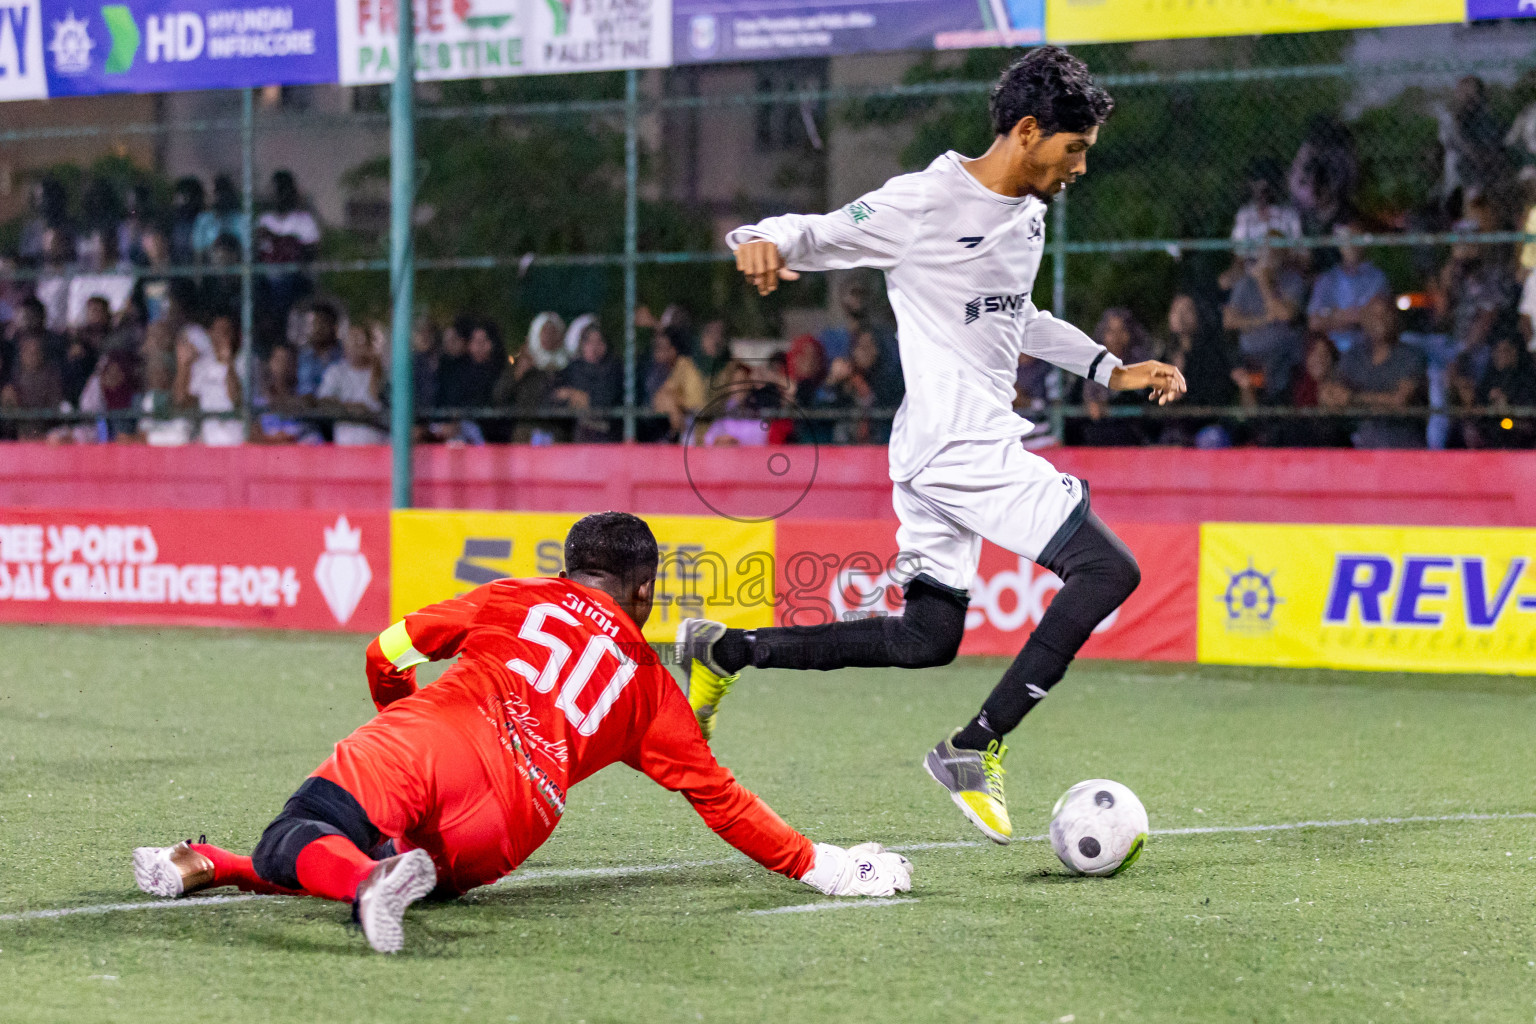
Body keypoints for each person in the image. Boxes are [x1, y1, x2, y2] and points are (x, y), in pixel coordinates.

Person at [680, 48, 1184, 845]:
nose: (1081, 165)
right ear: (1027, 131)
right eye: (1075, 148)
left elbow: (1013, 315)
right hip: (957, 444)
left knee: (927, 639)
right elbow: (813, 231)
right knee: (1107, 568)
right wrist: (756, 236)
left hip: (937, 443)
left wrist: (1109, 368)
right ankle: (974, 749)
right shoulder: (923, 202)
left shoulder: (1028, 213)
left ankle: (726, 650)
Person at [130, 512, 913, 953]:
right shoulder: (647, 686)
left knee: (300, 836)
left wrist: (398, 718)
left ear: (568, 567)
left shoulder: (512, 596)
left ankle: (315, 869)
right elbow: (723, 802)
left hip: (436, 735)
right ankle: (210, 864)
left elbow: (386, 649)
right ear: (644, 589)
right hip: (511, 821)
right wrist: (836, 869)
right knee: (374, 856)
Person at [1322, 296, 1427, 449]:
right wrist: (1333, 395)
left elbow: (1399, 400)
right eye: (1373, 315)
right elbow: (1330, 392)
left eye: (1385, 314)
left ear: (1395, 318)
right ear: (1364, 321)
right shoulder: (1353, 356)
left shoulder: (1411, 356)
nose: (1380, 320)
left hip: (1404, 447)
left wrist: (1353, 398)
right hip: (1362, 449)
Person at [1223, 234, 1309, 403]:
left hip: (1281, 352)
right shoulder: (1245, 283)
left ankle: (1266, 408)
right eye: (1267, 252)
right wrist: (1263, 320)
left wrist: (1264, 282)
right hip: (1248, 353)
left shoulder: (1292, 281)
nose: (1270, 257)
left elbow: (1285, 315)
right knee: (1239, 372)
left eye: (1276, 252)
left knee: (1273, 370)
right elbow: (1229, 321)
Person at [1153, 294, 1235, 446]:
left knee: (1212, 439)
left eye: (1187, 310)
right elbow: (1152, 401)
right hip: (1171, 429)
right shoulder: (1163, 357)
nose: (1181, 317)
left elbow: (1218, 397)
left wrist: (1185, 391)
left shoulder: (1212, 355)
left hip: (1205, 427)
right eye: (1176, 311)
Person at [1307, 223, 1390, 355]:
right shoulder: (1327, 279)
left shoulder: (1376, 277)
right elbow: (1314, 322)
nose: (1351, 245)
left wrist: (1335, 315)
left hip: (1369, 348)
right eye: (1346, 240)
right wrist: (1351, 317)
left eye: (1355, 239)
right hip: (1335, 352)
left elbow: (1381, 318)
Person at [1077, 308, 1153, 446]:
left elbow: (1140, 397)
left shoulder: (1141, 361)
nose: (1116, 337)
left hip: (1134, 432)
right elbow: (1085, 397)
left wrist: (1109, 405)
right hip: (1100, 432)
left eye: (1122, 331)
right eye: (1111, 331)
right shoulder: (1093, 363)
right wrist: (1091, 403)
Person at [176, 314, 244, 446]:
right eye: (216, 331)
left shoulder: (244, 362)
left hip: (236, 442)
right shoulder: (203, 365)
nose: (220, 336)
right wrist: (184, 366)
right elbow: (183, 402)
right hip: (209, 443)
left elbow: (236, 399)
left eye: (225, 332)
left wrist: (228, 362)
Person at [553, 319, 624, 442]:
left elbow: (605, 399)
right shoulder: (572, 370)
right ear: (582, 345)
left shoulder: (615, 369)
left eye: (599, 342)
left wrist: (576, 395)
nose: (594, 347)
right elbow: (557, 396)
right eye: (589, 342)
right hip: (577, 437)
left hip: (608, 436)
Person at [316, 324, 386, 445]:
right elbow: (323, 400)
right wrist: (349, 406)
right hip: (346, 442)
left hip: (377, 441)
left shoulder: (380, 371)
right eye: (353, 340)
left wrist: (375, 360)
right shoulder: (336, 371)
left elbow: (376, 396)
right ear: (345, 345)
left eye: (361, 340)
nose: (358, 345)